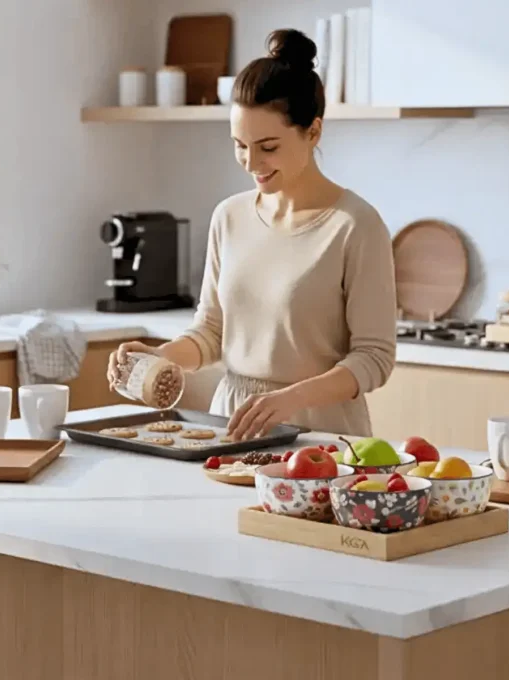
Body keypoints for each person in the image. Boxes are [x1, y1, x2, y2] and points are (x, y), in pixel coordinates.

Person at [108, 28, 396, 440]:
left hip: (321, 434)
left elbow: (374, 358)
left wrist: (290, 400)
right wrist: (160, 356)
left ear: (313, 131)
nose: (250, 161)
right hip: (232, 422)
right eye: (239, 145)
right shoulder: (229, 217)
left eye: (268, 147)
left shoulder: (355, 225)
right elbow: (211, 332)